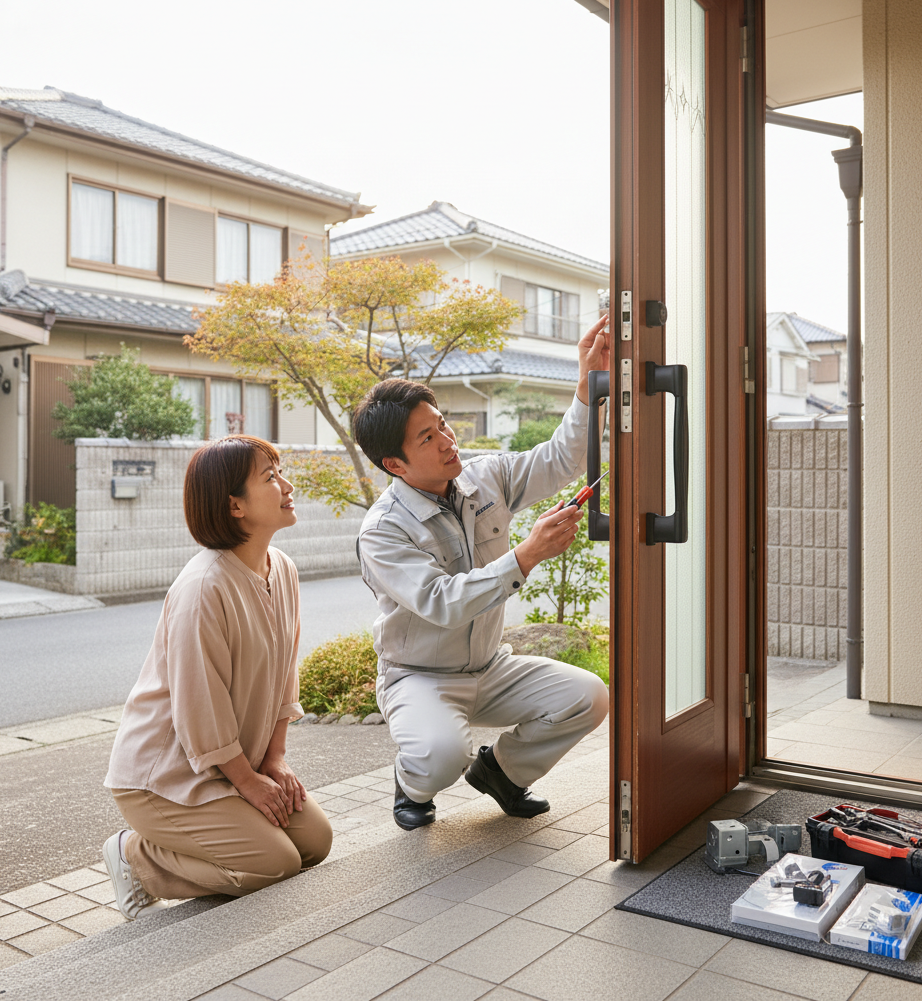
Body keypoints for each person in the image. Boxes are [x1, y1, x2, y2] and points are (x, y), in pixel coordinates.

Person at [353, 316, 610, 830]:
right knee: (441, 758)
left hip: (491, 667)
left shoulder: (484, 476)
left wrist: (587, 389)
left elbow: (559, 460)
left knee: (588, 696)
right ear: (395, 464)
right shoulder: (381, 532)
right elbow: (443, 602)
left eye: (443, 423)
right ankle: (412, 780)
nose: (448, 439)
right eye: (428, 437)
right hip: (420, 677)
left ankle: (502, 774)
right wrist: (526, 555)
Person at [101, 435, 332, 919]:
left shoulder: (281, 568)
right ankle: (134, 856)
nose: (287, 486)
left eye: (280, 472)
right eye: (270, 479)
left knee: (315, 842)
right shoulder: (204, 587)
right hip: (163, 776)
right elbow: (198, 706)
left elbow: (283, 672)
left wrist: (276, 759)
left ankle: (209, 829)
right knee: (276, 865)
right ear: (234, 506)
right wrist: (247, 782)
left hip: (229, 762)